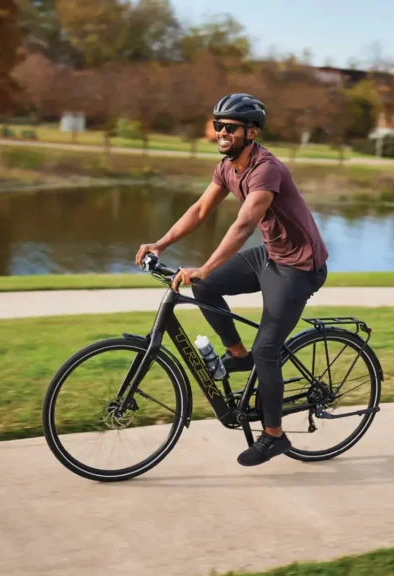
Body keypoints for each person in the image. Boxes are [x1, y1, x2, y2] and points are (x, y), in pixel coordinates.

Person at [135, 93, 329, 467]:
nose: (222, 132)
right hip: (271, 254)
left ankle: (274, 437)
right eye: (218, 125)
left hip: (299, 266)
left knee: (267, 351)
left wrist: (204, 266)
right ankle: (237, 355)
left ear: (251, 132)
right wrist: (160, 243)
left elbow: (243, 225)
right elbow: (200, 209)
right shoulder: (226, 166)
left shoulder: (265, 169)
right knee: (205, 287)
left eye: (230, 127)